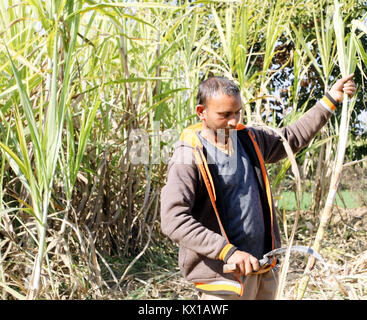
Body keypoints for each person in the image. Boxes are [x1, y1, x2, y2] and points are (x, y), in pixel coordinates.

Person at [160, 75, 356, 300]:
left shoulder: (248, 139)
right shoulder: (188, 157)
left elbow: (291, 138)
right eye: (224, 115)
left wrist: (330, 100)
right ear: (201, 112)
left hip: (262, 271)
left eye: (237, 112)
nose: (233, 121)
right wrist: (227, 252)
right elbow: (173, 219)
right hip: (225, 280)